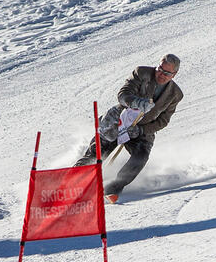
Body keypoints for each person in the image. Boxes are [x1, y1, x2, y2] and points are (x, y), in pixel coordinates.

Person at [76, 54, 183, 202]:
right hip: (119, 119)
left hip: (142, 129)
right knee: (97, 154)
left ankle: (112, 188)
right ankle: (71, 182)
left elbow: (163, 121)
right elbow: (123, 95)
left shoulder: (175, 94)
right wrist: (137, 103)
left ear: (174, 74)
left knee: (140, 157)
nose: (161, 75)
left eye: (167, 73)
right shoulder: (142, 73)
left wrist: (141, 131)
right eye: (160, 69)